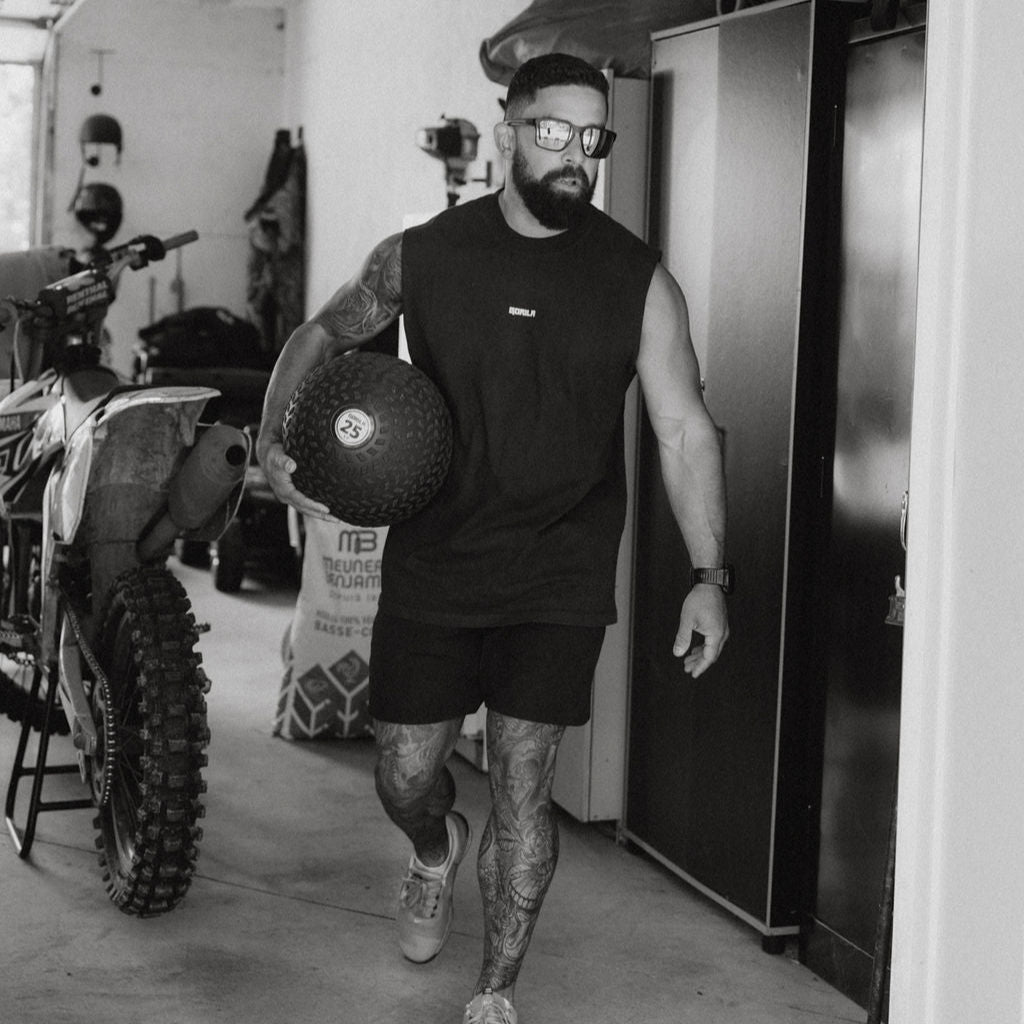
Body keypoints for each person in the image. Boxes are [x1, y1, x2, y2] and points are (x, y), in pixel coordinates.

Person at [257, 52, 729, 1024]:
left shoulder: (634, 278)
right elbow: (320, 334)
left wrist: (708, 572)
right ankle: (432, 850)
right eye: (553, 131)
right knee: (405, 774)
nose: (575, 156)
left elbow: (684, 429)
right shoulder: (423, 255)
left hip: (559, 566)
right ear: (508, 129)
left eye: (592, 138)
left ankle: (494, 993)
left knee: (525, 783)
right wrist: (271, 438)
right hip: (436, 556)